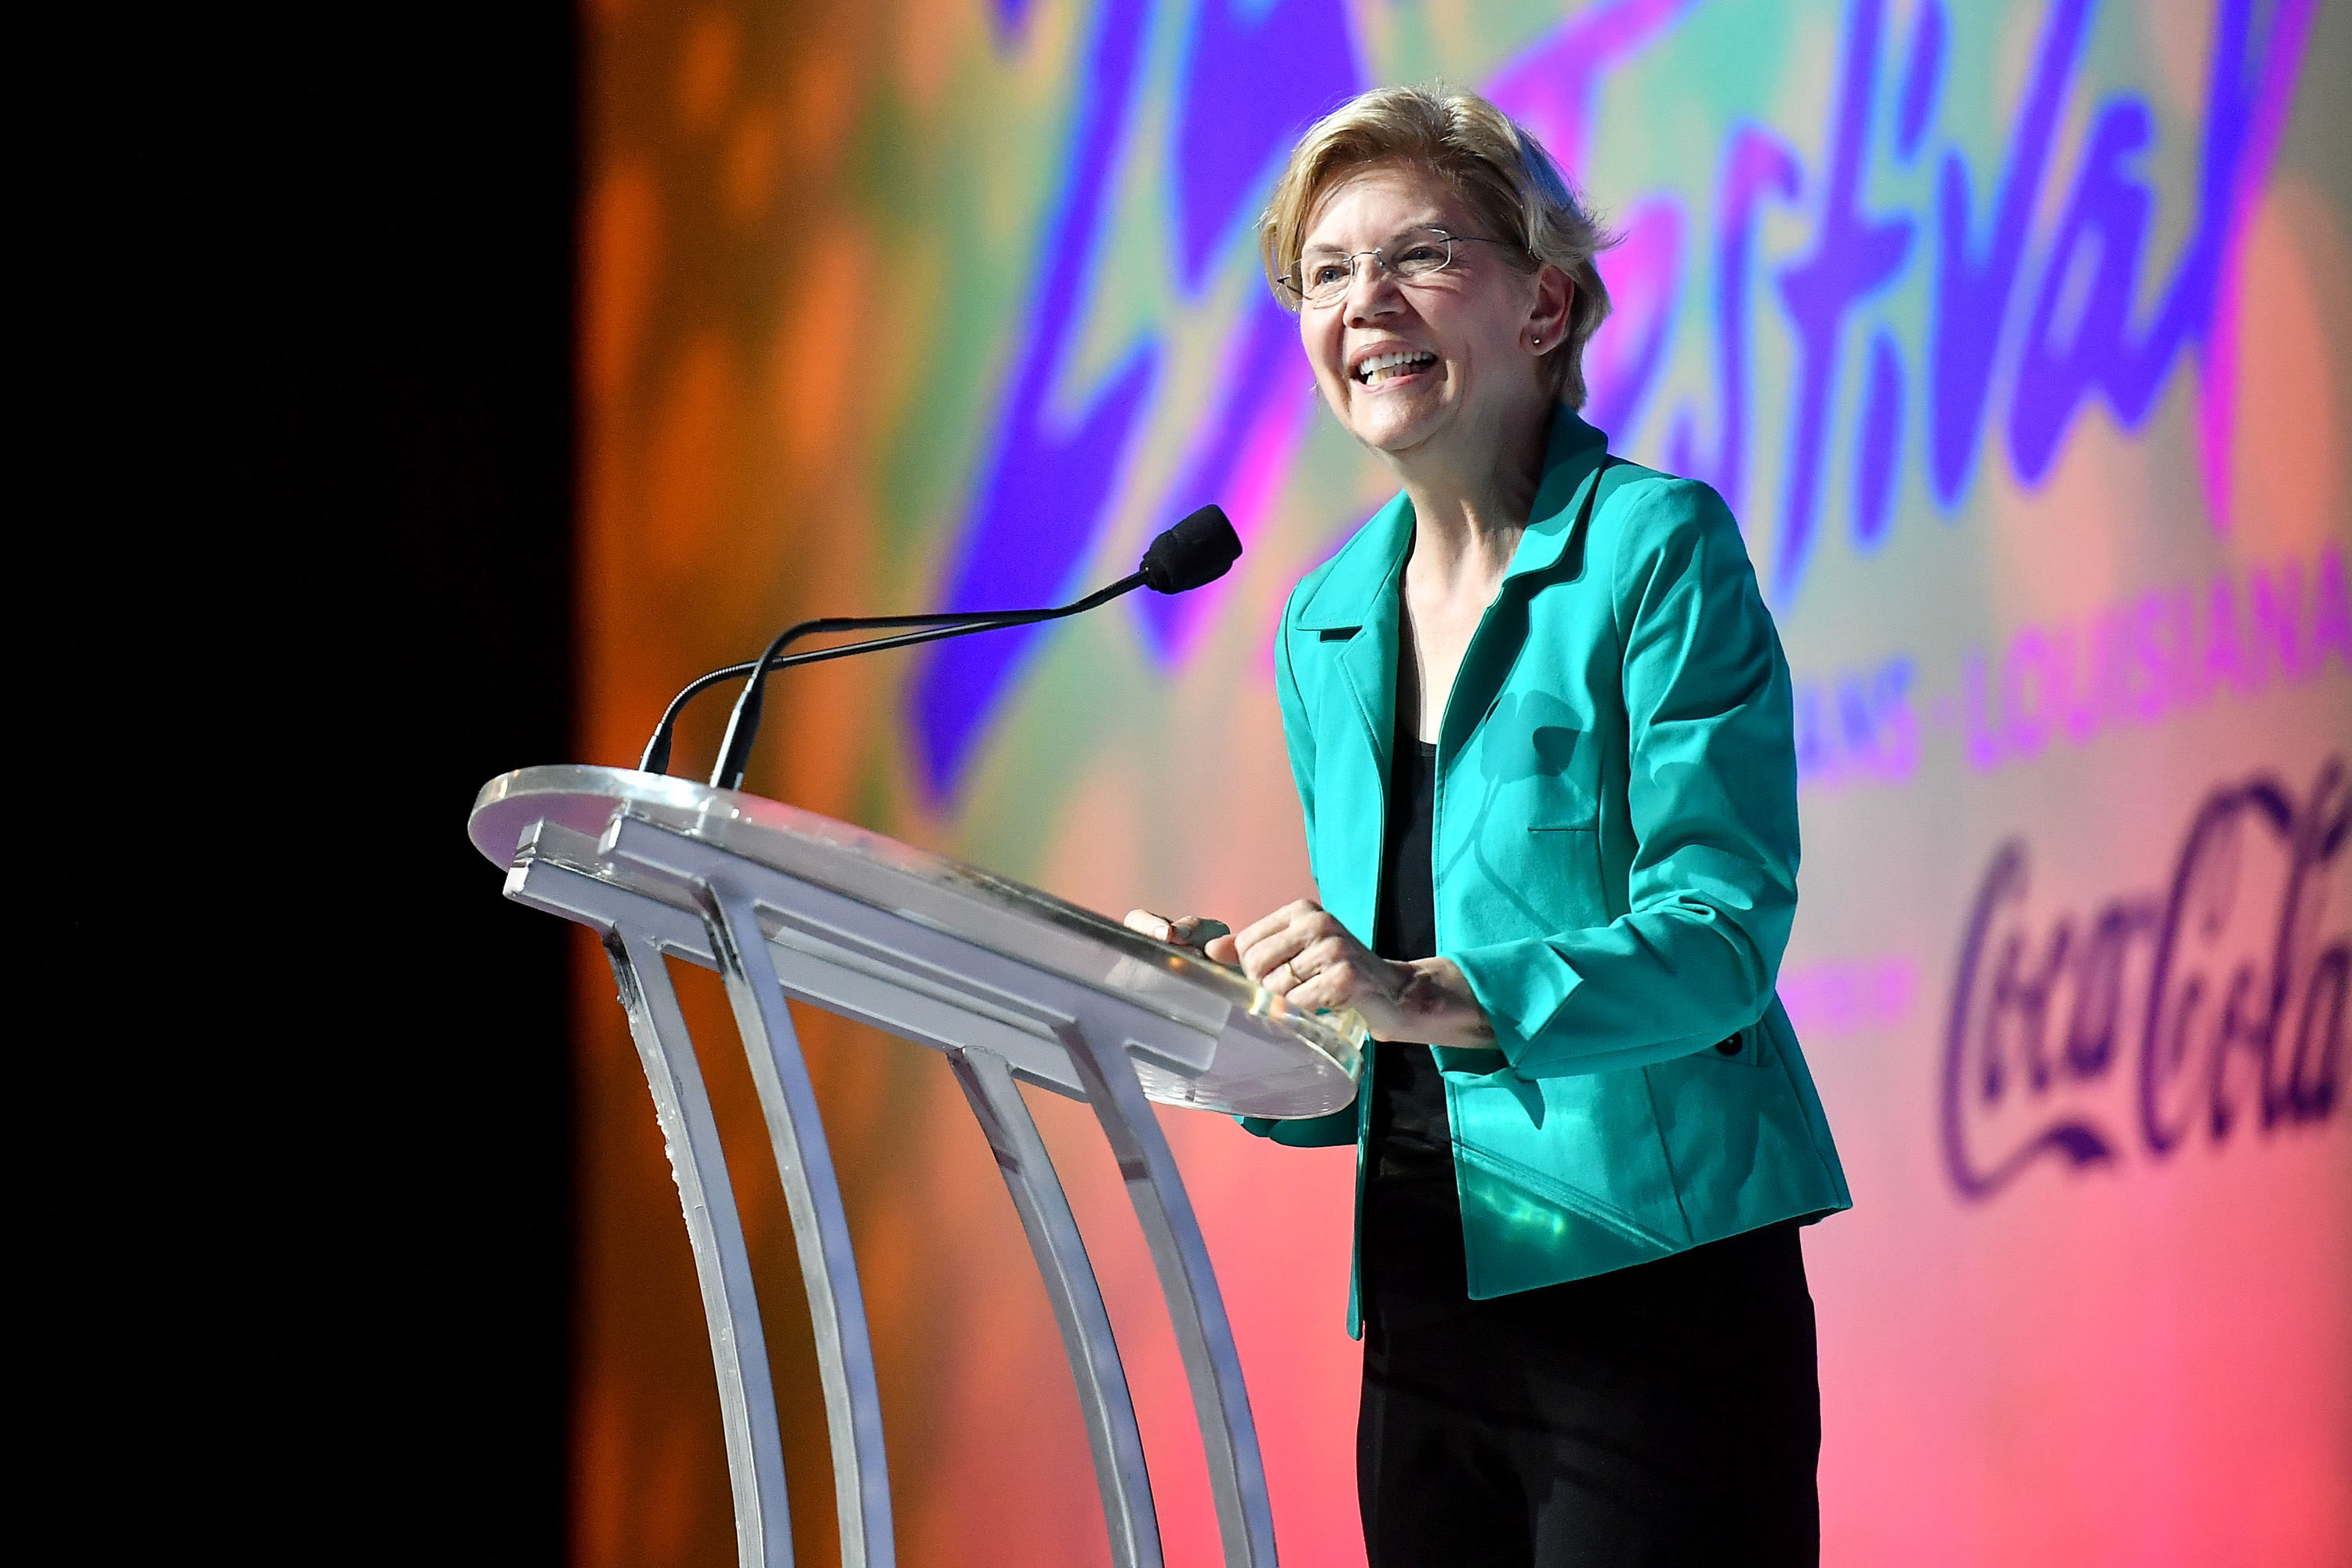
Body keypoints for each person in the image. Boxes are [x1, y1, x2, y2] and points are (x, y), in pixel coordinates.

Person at [1126, 85, 1851, 1566]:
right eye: (1325, 272)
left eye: (1418, 257)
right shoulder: (1324, 621)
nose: (1361, 303)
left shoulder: (1657, 549)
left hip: (1650, 1296)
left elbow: (1720, 939)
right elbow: (1354, 1059)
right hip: (1418, 1306)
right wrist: (1223, 1008)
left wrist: (1415, 993)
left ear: (1546, 305)